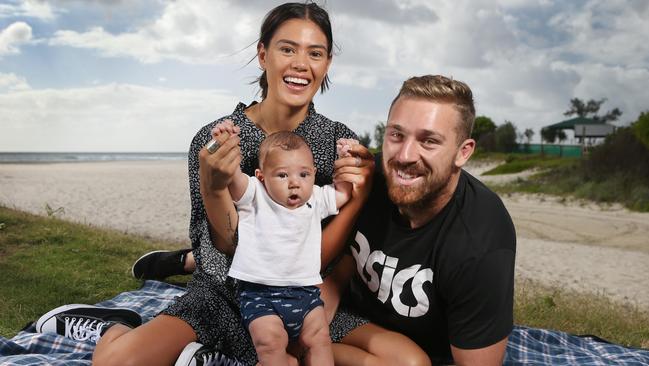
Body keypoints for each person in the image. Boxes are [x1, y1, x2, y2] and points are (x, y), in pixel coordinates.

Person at [34, 3, 426, 366]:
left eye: (315, 53)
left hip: (302, 296)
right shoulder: (215, 141)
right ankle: (115, 322)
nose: (301, 64)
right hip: (226, 292)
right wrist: (214, 185)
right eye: (287, 49)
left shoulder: (335, 144)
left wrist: (356, 198)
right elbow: (228, 246)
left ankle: (212, 353)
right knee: (115, 362)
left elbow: (327, 257)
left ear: (327, 64)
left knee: (410, 361)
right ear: (263, 55)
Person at [324, 74, 517, 365]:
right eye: (396, 135)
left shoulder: (481, 239)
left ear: (463, 152)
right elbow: (335, 272)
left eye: (429, 141)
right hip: (345, 323)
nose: (404, 156)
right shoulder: (365, 181)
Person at [213, 122, 356, 365]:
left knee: (320, 339)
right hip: (261, 295)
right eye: (282, 175)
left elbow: (343, 193)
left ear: (313, 172)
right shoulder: (255, 195)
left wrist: (347, 157)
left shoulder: (316, 199)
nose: (294, 183)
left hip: (306, 294)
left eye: (304, 174)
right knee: (270, 344)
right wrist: (226, 142)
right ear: (261, 176)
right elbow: (231, 177)